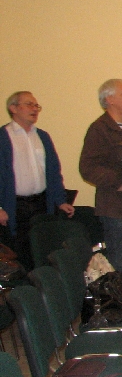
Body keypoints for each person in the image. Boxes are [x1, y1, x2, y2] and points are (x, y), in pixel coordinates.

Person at [0, 91, 74, 269]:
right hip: (15, 206)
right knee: (20, 252)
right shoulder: (3, 137)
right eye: (29, 104)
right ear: (13, 108)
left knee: (42, 249)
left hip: (41, 203)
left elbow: (54, 171)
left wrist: (61, 201)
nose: (34, 109)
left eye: (36, 106)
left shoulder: (42, 136)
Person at [79, 79, 122, 281]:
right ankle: (119, 299)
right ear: (109, 99)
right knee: (119, 262)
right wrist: (118, 181)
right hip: (115, 208)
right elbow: (87, 167)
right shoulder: (100, 129)